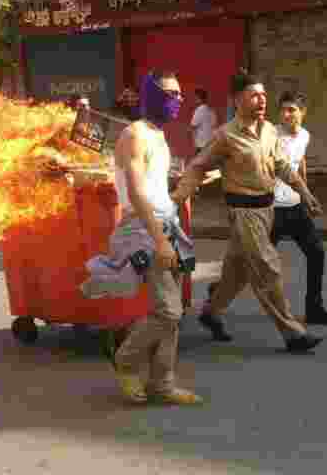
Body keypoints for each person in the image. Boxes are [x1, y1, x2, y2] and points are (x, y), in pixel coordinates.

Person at [172, 69, 324, 353]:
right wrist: (178, 198)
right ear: (237, 100)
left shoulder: (268, 131)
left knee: (236, 272)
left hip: (266, 211)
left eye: (264, 95)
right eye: (254, 95)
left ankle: (211, 313)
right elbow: (198, 165)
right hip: (243, 212)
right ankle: (292, 333)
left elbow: (282, 166)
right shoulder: (226, 136)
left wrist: (305, 193)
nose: (262, 100)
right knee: (268, 267)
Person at [107, 70, 203, 405]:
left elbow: (153, 187)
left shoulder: (158, 136)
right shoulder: (134, 135)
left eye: (180, 94)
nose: (177, 99)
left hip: (167, 225)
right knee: (169, 311)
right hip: (143, 229)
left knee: (172, 313)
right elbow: (134, 193)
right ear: (151, 95)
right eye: (170, 93)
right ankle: (126, 360)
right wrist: (159, 241)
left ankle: (162, 382)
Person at [271, 91, 327, 326]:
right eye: (283, 110)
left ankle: (314, 308)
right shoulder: (271, 135)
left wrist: (306, 196)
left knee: (316, 252)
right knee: (252, 263)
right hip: (270, 209)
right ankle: (218, 292)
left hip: (294, 206)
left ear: (303, 113)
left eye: (292, 110)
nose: (286, 114)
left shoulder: (305, 136)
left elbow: (300, 164)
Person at [189, 87, 217, 156]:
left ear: (198, 98)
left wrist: (193, 141)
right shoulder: (212, 111)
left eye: (195, 97)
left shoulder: (199, 110)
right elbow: (214, 127)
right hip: (210, 144)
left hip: (201, 144)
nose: (194, 99)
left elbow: (192, 126)